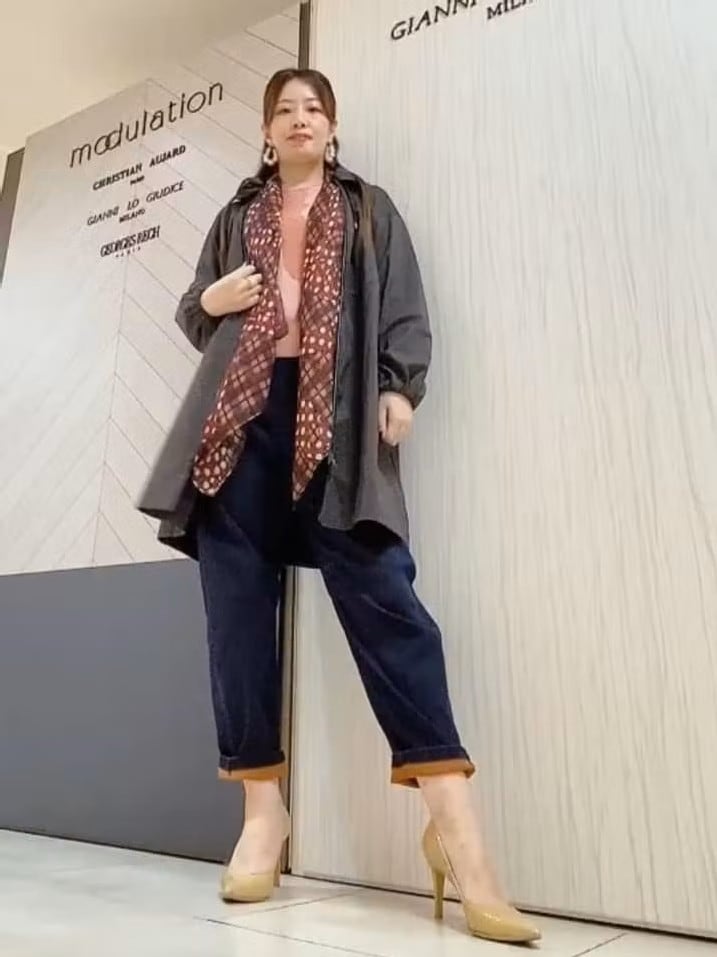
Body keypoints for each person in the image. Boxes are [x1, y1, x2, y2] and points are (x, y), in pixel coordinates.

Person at [138, 68, 540, 946]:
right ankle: (262, 813)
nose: (299, 118)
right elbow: (198, 314)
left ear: (331, 125)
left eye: (312, 107)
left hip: (339, 417)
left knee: (386, 598)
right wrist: (207, 300)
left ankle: (457, 830)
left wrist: (400, 384)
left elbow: (403, 305)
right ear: (266, 129)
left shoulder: (367, 209)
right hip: (239, 422)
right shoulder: (235, 214)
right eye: (283, 109)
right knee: (237, 611)